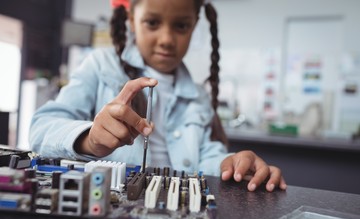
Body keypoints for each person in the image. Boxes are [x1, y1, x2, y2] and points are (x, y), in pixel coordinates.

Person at [30, 0, 286, 192]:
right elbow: (41, 130)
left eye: (181, 26)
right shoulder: (100, 66)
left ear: (194, 26)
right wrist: (90, 140)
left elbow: (209, 157)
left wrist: (233, 164)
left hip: (180, 206)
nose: (166, 39)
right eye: (152, 23)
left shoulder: (197, 96)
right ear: (131, 20)